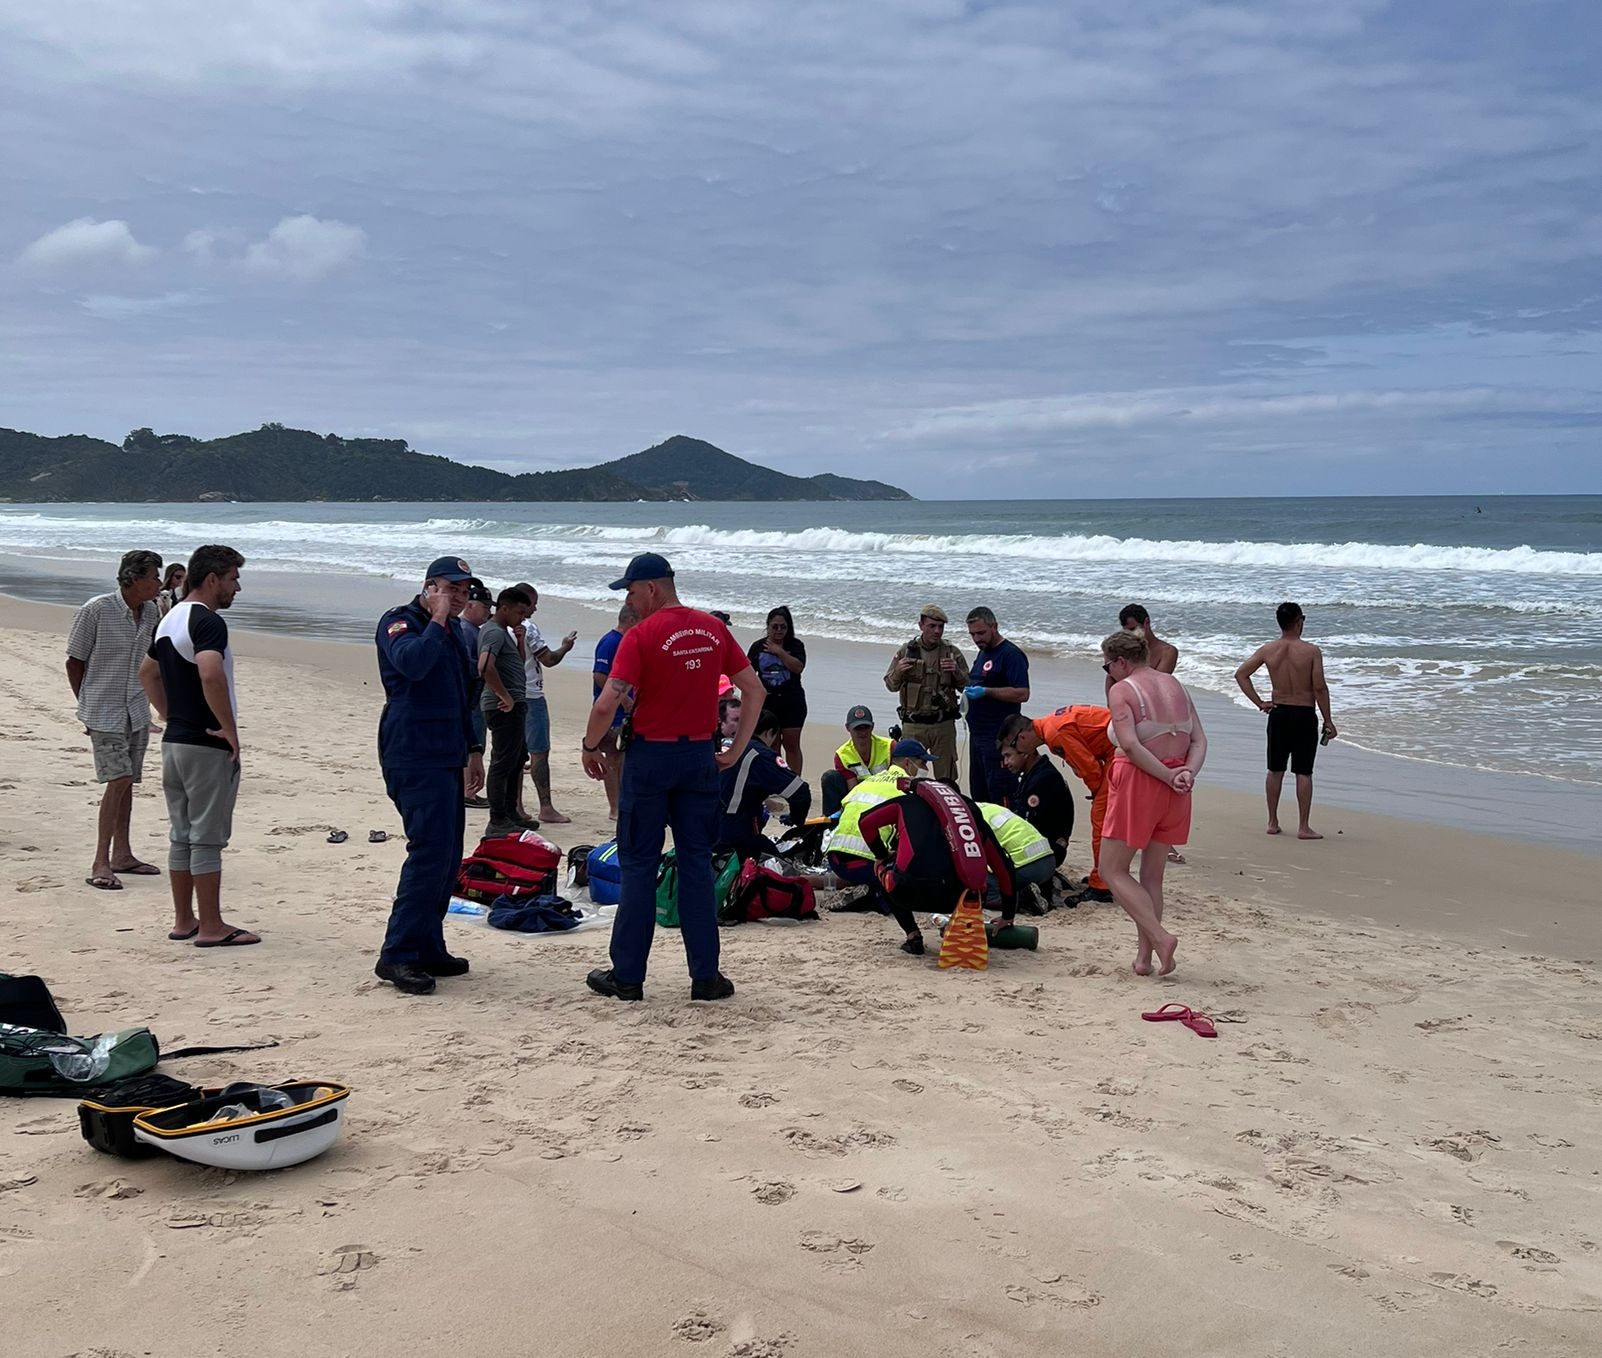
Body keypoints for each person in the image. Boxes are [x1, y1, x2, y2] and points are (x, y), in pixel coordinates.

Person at [580, 553, 762, 1002]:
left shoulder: (641, 635)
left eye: (631, 591)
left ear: (651, 589)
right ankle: (705, 977)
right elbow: (753, 688)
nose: (630, 599)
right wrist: (735, 750)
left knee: (639, 865)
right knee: (696, 864)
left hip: (650, 758)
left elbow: (607, 703)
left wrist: (589, 746)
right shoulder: (713, 629)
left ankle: (628, 976)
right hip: (698, 756)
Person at [138, 545, 258, 948]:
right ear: (212, 579)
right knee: (206, 836)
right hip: (205, 743)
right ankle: (211, 925)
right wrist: (228, 729)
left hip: (176, 742)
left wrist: (171, 715)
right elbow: (210, 674)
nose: (237, 588)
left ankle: (184, 919)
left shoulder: (170, 618)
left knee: (181, 834)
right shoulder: (207, 621)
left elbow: (147, 673)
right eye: (232, 579)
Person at [372, 555, 479, 995]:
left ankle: (428, 944)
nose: (458, 597)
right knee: (428, 853)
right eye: (450, 589)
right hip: (413, 751)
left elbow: (462, 694)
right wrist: (436, 620)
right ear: (429, 587)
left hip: (447, 751)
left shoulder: (455, 631)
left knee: (448, 855)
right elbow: (411, 665)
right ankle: (397, 954)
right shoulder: (402, 623)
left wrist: (474, 749)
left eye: (464, 591)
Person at [1100, 629, 1207, 977]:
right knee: (1152, 878)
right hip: (1178, 788)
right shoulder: (1176, 685)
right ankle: (1145, 959)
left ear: (1120, 662)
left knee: (1112, 870)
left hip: (1140, 783)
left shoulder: (1122, 690)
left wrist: (1165, 776)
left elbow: (1130, 745)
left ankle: (1161, 938)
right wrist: (1186, 773)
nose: (1108, 674)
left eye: (1107, 667)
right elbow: (1199, 740)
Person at [66, 549, 164, 891]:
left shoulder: (151, 611)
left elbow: (153, 661)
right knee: (118, 777)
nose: (160, 583)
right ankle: (100, 861)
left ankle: (123, 854)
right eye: (154, 577)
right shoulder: (96, 610)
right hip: (103, 710)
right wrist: (87, 706)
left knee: (128, 783)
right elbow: (74, 662)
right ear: (133, 578)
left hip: (136, 709)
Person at [856, 777, 1015, 955]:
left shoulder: (907, 803)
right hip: (959, 899)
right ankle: (959, 929)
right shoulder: (969, 816)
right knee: (978, 884)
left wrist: (881, 855)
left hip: (907, 892)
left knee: (884, 866)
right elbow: (1004, 870)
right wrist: (1008, 915)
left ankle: (913, 935)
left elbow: (865, 822)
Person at [1234, 601, 1337, 839]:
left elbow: (1241, 674)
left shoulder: (1268, 649)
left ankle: (1272, 821)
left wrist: (1260, 702)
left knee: (1275, 769)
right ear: (1299, 621)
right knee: (1303, 772)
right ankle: (1303, 827)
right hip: (1303, 715)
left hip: (1279, 714)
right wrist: (1328, 720)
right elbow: (1319, 688)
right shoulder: (1311, 651)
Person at [1001, 705, 1114, 903]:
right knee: (1105, 819)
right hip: (1115, 743)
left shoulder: (1055, 734)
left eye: (1014, 748)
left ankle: (1101, 885)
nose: (1018, 752)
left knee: (1101, 820)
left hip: (1116, 749)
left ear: (1022, 737)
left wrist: (1097, 793)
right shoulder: (1051, 724)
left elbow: (1090, 769)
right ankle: (1105, 875)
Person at [824, 739, 930, 911]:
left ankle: (865, 888)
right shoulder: (906, 790)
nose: (926, 769)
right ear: (908, 763)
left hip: (836, 860)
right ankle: (871, 897)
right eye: (922, 763)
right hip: (865, 863)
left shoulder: (869, 782)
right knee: (911, 886)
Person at [509, 583, 578, 825]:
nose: (535, 609)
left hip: (508, 695)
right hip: (531, 694)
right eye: (533, 603)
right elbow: (548, 659)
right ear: (524, 603)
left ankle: (516, 805)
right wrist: (565, 648)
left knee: (515, 753)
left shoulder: (495, 625)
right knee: (539, 753)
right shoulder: (528, 628)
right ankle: (545, 807)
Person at [997, 713, 1076, 903]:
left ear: (1025, 751)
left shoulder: (1042, 781)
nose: (1006, 763)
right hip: (1047, 848)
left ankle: (1033, 891)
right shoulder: (1035, 774)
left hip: (1044, 852)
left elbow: (1027, 827)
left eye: (1008, 756)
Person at [883, 605, 965, 781]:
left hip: (943, 724)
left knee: (947, 777)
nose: (937, 631)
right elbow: (890, 685)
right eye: (932, 626)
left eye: (940, 627)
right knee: (910, 775)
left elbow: (967, 687)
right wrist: (898, 671)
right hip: (913, 724)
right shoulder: (906, 651)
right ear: (921, 625)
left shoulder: (952, 652)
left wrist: (956, 671)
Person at [716, 708, 812, 860]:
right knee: (779, 864)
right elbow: (800, 792)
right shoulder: (759, 754)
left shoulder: (721, 743)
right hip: (733, 833)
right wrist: (796, 819)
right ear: (769, 733)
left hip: (699, 827)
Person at [478, 587, 536, 836]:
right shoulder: (493, 632)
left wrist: (521, 641)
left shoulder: (505, 633)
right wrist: (505, 696)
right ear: (504, 608)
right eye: (520, 612)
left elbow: (515, 664)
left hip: (513, 702)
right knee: (503, 762)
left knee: (515, 760)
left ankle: (510, 814)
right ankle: (498, 819)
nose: (523, 617)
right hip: (502, 706)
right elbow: (484, 666)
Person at [963, 607, 1030, 803]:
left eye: (981, 633)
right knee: (979, 793)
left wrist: (986, 691)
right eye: (972, 634)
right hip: (978, 736)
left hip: (998, 737)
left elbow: (1023, 693)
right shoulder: (983, 653)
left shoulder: (1011, 655)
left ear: (994, 627)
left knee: (1000, 793)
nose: (977, 639)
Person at [590, 601, 637, 820]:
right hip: (613, 714)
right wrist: (624, 700)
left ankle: (623, 802)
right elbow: (600, 676)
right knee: (613, 759)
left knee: (623, 759)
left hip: (627, 714)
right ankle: (614, 807)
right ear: (630, 620)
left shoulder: (629, 642)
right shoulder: (610, 642)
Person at [747, 606, 808, 773]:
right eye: (775, 626)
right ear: (768, 626)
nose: (779, 630)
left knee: (792, 743)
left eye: (783, 626)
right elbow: (748, 674)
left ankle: (795, 781)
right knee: (772, 744)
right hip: (767, 702)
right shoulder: (757, 647)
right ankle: (777, 780)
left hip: (792, 701)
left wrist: (779, 651)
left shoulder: (795, 645)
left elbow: (798, 667)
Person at [976, 801, 1057, 916]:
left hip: (1026, 867)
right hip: (1049, 861)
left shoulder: (968, 818)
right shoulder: (988, 807)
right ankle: (1044, 891)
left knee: (982, 889)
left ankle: (1024, 899)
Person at [820, 704, 893, 816]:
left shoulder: (890, 746)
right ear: (848, 728)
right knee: (830, 777)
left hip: (886, 794)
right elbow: (853, 790)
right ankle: (830, 823)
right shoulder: (842, 755)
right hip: (860, 793)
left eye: (866, 727)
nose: (862, 732)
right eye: (858, 728)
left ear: (872, 727)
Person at [458, 582, 492, 808]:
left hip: (474, 697)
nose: (488, 612)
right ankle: (468, 792)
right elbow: (466, 666)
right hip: (470, 699)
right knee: (473, 743)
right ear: (470, 605)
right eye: (485, 606)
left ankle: (467, 790)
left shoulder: (472, 630)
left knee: (476, 742)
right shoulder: (465, 630)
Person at [1113, 604, 1179, 679]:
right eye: (1126, 631)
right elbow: (1112, 681)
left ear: (1146, 622)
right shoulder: (1123, 651)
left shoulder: (1167, 652)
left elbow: (1156, 683)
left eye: (1133, 629)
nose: (1130, 635)